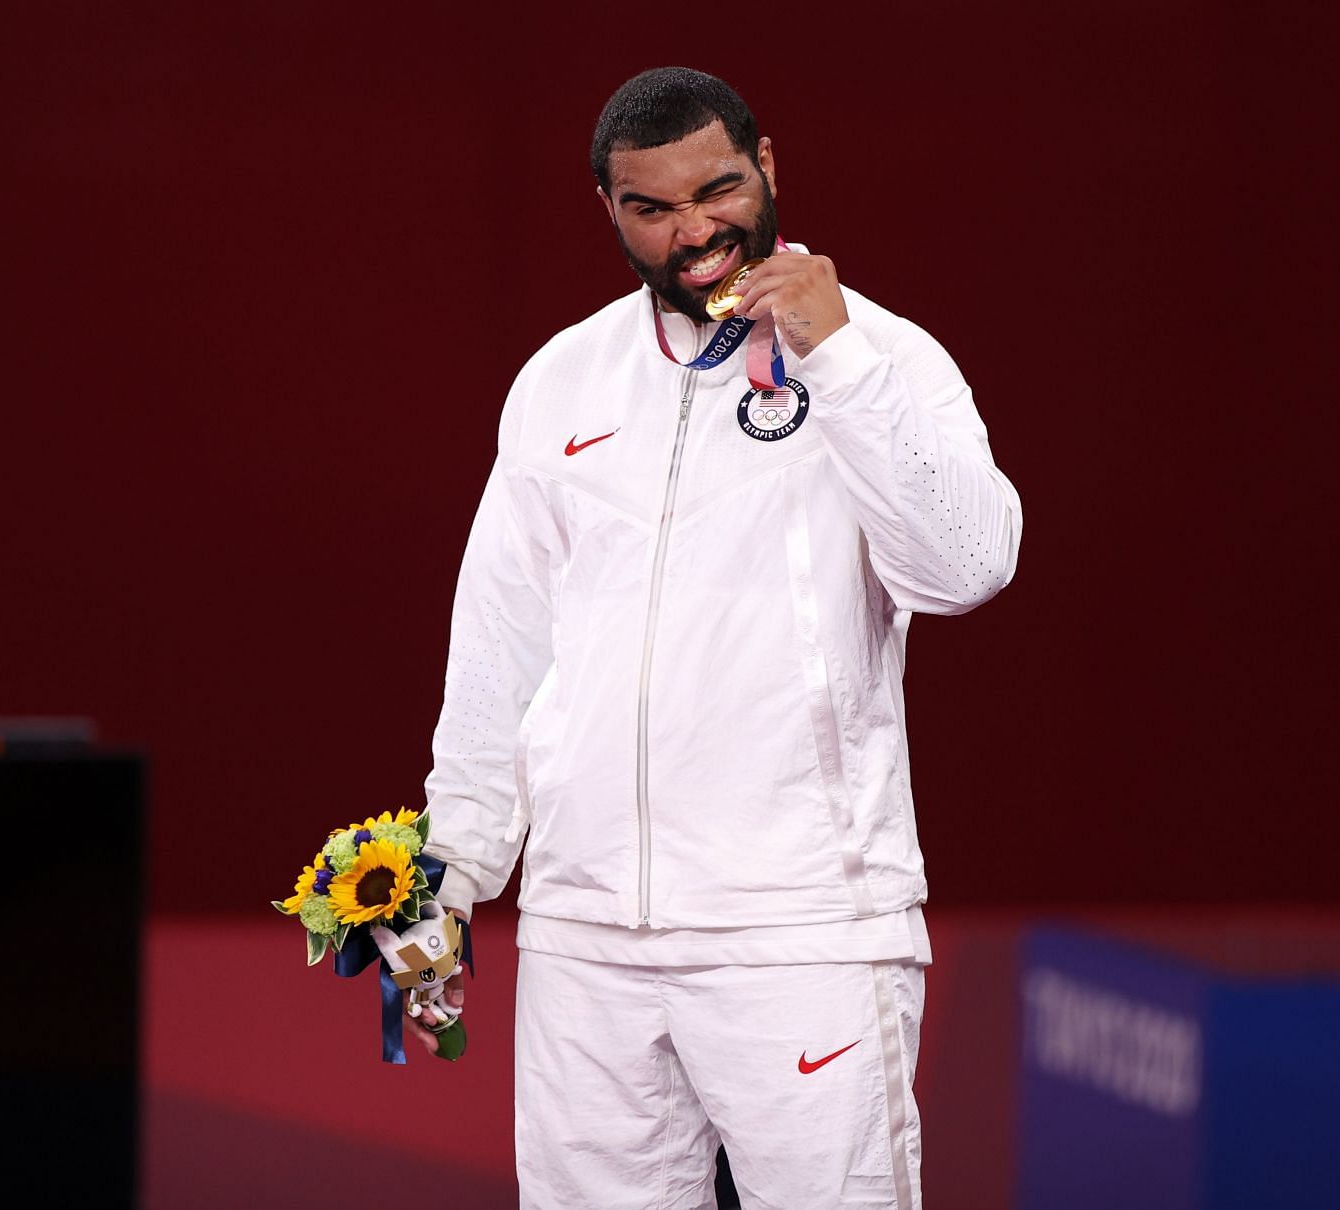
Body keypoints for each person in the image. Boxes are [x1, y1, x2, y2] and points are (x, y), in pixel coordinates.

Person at [410, 66, 1021, 1209]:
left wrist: (835, 363)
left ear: (769, 167)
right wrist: (452, 871)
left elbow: (968, 568)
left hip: (803, 934)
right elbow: (502, 643)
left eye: (720, 190)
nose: (695, 231)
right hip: (586, 938)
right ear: (610, 209)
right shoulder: (561, 379)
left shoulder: (886, 360)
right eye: (653, 208)